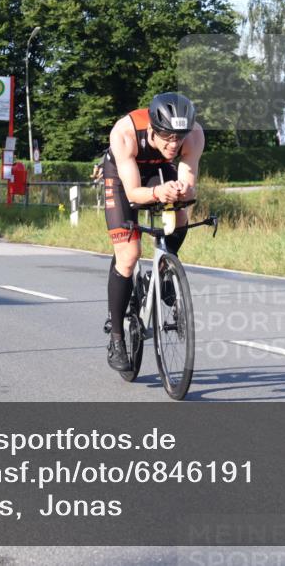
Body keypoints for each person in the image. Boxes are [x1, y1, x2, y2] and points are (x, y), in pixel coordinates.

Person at [102, 92, 204, 372]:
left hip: (159, 170)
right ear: (152, 131)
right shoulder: (126, 132)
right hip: (123, 177)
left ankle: (165, 268)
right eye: (167, 137)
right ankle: (117, 338)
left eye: (178, 138)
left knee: (181, 214)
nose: (174, 144)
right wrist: (158, 192)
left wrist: (182, 190)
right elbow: (134, 193)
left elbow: (190, 182)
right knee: (129, 253)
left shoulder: (193, 134)